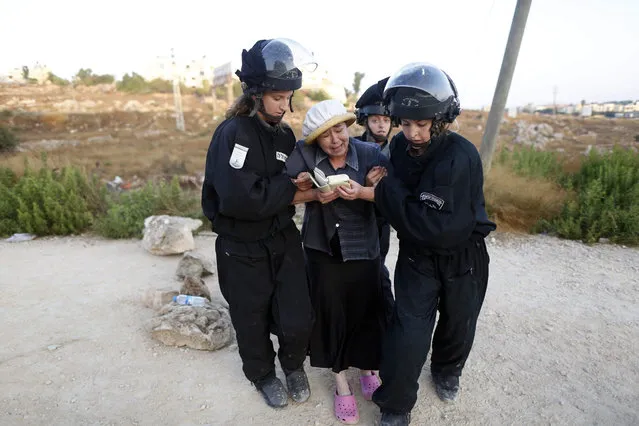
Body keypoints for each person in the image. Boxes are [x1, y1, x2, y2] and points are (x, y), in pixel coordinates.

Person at [368, 63, 497, 425]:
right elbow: (408, 215)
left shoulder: (460, 156)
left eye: (421, 125)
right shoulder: (397, 147)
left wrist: (387, 190)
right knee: (408, 330)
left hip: (462, 254)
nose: (413, 133)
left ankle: (446, 369)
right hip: (417, 256)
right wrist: (391, 195)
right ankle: (395, 405)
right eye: (405, 124)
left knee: (459, 321)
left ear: (440, 120)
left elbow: (436, 227)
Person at [201, 38, 319, 409]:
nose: (285, 106)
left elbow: (283, 181)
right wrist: (291, 190)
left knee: (297, 312)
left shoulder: (284, 135)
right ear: (255, 94)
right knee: (250, 319)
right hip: (241, 246)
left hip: (282, 238)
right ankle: (263, 375)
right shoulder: (232, 133)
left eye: (288, 98)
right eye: (277, 98)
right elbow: (240, 198)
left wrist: (301, 185)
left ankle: (293, 365)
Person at [285, 99, 388, 425]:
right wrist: (309, 192)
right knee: (331, 315)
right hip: (323, 251)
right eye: (325, 135)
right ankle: (341, 380)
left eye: (339, 130)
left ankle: (369, 367)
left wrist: (367, 191)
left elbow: (393, 198)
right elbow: (284, 195)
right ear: (315, 139)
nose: (335, 140)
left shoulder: (371, 154)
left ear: (349, 127)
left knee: (366, 312)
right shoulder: (303, 155)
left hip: (364, 248)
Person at [355, 78, 395, 324]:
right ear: (366, 121)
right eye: (376, 120)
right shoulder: (352, 147)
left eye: (386, 120)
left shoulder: (400, 151)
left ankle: (387, 324)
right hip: (355, 219)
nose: (381, 125)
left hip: (381, 222)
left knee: (378, 270)